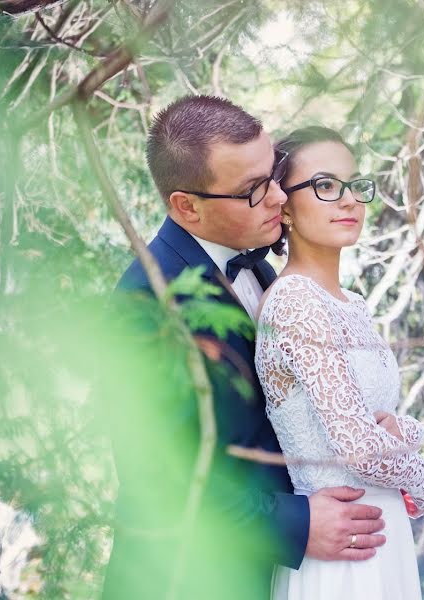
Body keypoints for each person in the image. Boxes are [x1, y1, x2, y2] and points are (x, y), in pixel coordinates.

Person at [101, 96, 386, 600]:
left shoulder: (260, 268)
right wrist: (297, 525)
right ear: (186, 206)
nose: (278, 196)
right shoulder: (143, 306)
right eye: (254, 190)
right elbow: (161, 483)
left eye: (272, 175)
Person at [255, 126, 424, 600]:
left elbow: (377, 426)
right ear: (285, 206)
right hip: (343, 551)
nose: (349, 200)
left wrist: (404, 430)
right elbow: (359, 446)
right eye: (325, 186)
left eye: (355, 185)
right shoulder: (295, 300)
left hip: (380, 534)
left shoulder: (350, 303)